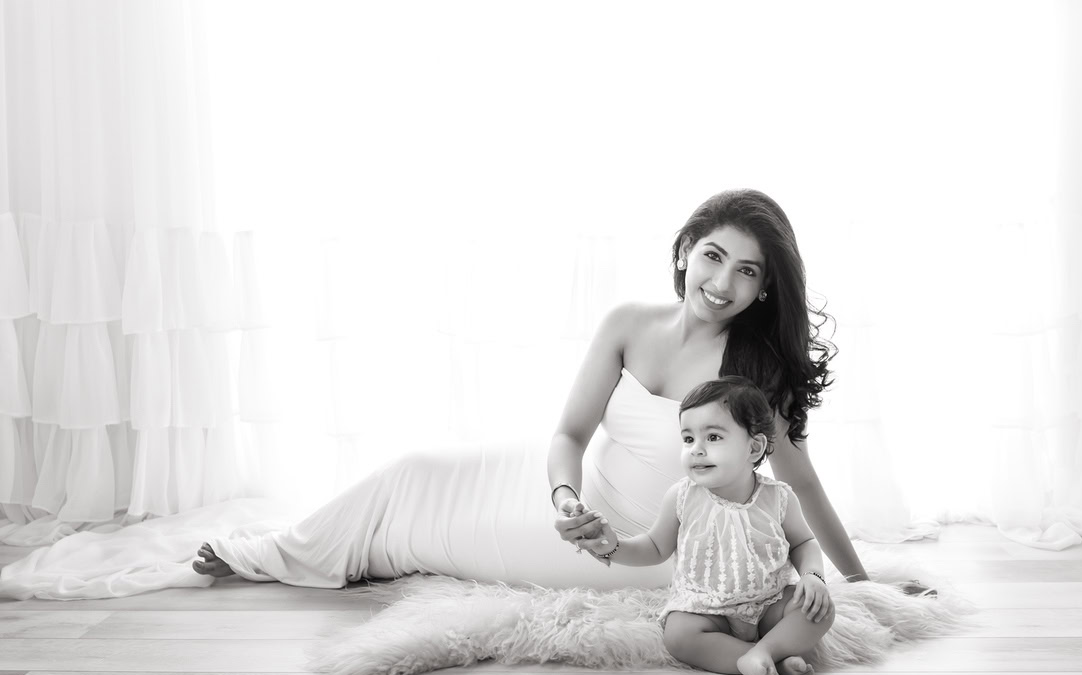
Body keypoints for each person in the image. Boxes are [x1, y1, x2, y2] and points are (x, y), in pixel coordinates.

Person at [185, 188, 914, 595]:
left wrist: (860, 582)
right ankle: (289, 548)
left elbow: (801, 486)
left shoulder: (756, 370)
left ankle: (286, 561)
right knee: (410, 474)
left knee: (421, 540)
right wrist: (565, 498)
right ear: (686, 251)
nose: (721, 283)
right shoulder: (628, 323)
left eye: (747, 272)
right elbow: (568, 435)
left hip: (638, 543)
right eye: (713, 256)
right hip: (576, 493)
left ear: (764, 290)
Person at [577, 376, 834, 675]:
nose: (696, 450)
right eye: (688, 439)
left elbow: (804, 542)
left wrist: (813, 576)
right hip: (706, 610)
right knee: (679, 635)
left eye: (712, 437)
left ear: (754, 447)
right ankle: (770, 659)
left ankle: (766, 651)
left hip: (770, 603)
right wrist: (612, 546)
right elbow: (655, 547)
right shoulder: (682, 496)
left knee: (819, 610)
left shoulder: (778, 498)